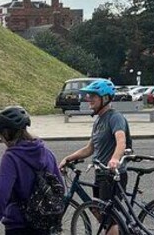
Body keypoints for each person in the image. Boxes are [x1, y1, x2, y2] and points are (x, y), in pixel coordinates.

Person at [59, 79, 131, 235]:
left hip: (112, 175)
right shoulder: (98, 120)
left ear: (105, 98)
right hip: (101, 174)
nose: (89, 99)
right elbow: (90, 148)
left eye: (93, 96)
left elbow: (121, 141)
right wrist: (69, 158)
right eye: (88, 95)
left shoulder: (115, 118)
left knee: (109, 219)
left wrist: (115, 159)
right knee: (98, 212)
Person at [0, 106, 64, 235]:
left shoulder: (11, 157)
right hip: (44, 224)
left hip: (19, 224)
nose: (0, 138)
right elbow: (60, 188)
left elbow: (1, 195)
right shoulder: (46, 152)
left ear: (7, 133)